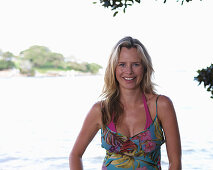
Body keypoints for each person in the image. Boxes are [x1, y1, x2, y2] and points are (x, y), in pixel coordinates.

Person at [69, 36, 182, 170]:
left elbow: (175, 163)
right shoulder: (100, 110)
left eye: (136, 64)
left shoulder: (161, 106)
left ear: (145, 68)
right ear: (114, 68)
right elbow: (75, 155)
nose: (129, 71)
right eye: (122, 64)